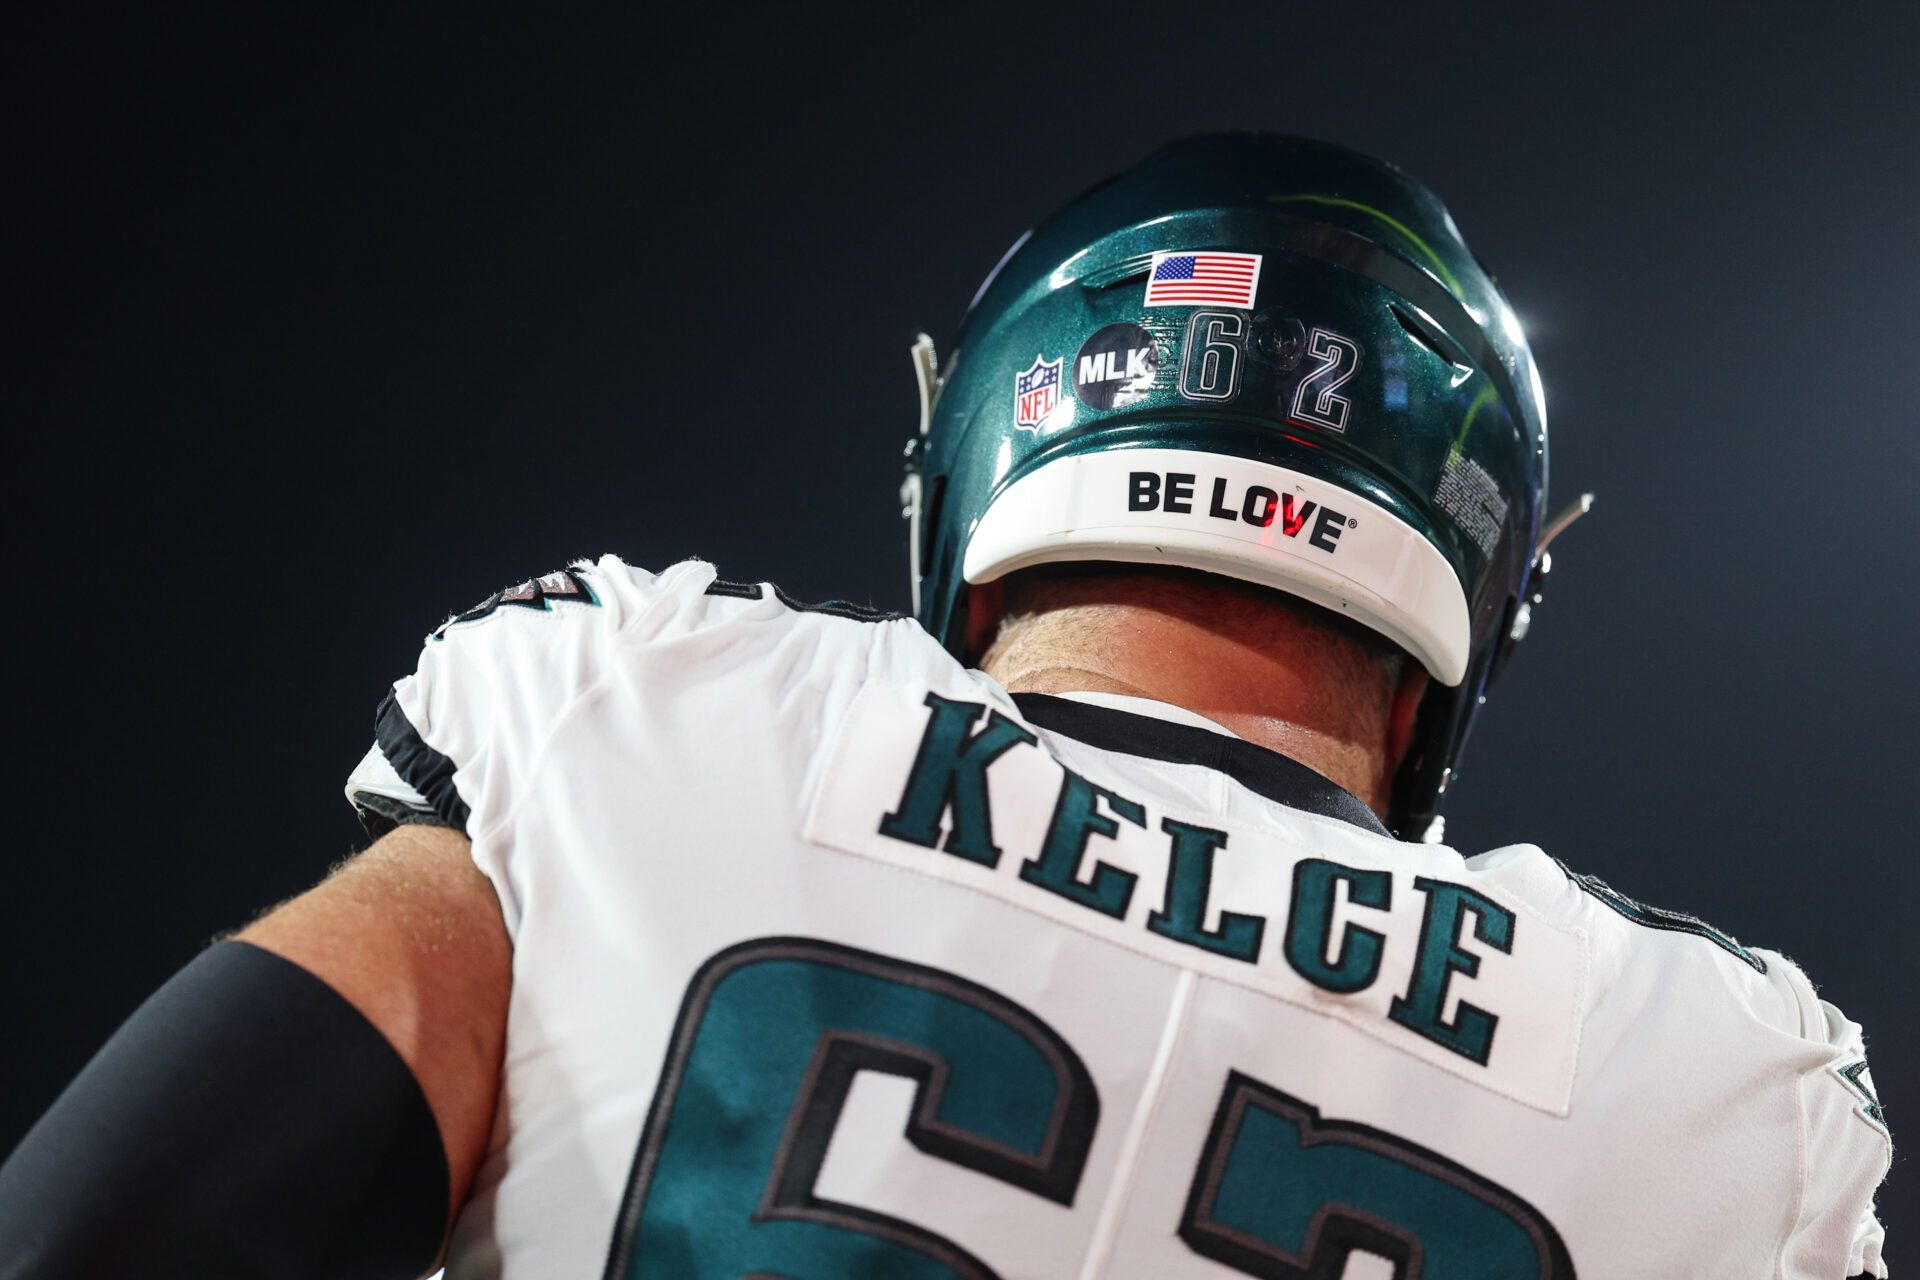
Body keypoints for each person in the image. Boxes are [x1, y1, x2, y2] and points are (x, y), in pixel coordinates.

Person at [0, 134, 1890, 1278]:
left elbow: (97, 1238)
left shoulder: (649, 715)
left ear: (978, 460)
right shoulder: (1723, 1095)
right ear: (1468, 604)